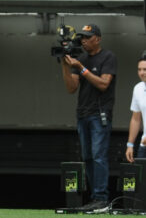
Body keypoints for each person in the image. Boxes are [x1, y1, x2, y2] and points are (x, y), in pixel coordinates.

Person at [60, 23, 116, 211]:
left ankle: (101, 198)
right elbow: (71, 88)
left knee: (99, 156)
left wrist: (82, 68)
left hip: (99, 114)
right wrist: (65, 65)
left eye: (88, 37)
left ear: (98, 39)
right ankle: (95, 199)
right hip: (83, 114)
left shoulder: (108, 57)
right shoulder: (81, 58)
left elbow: (103, 84)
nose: (83, 40)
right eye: (82, 37)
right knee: (88, 157)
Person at [126, 56, 146, 163]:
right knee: (141, 179)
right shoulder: (138, 88)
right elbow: (135, 119)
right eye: (139, 69)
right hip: (144, 144)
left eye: (145, 69)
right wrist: (130, 144)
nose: (142, 73)